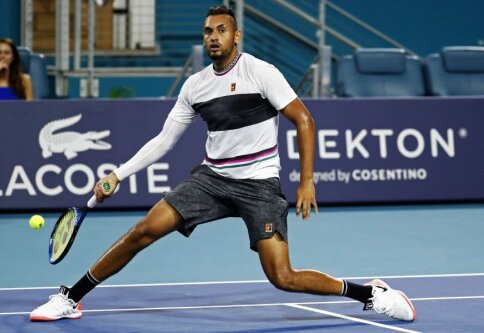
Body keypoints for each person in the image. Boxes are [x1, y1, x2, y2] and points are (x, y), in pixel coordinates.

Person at [30, 6, 416, 323]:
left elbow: (304, 120)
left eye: (221, 30)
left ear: (236, 37)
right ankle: (71, 297)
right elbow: (165, 140)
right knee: (143, 230)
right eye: (207, 31)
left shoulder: (261, 72)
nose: (212, 37)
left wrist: (306, 181)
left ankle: (370, 294)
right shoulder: (195, 86)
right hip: (211, 179)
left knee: (283, 276)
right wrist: (118, 174)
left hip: (260, 185)